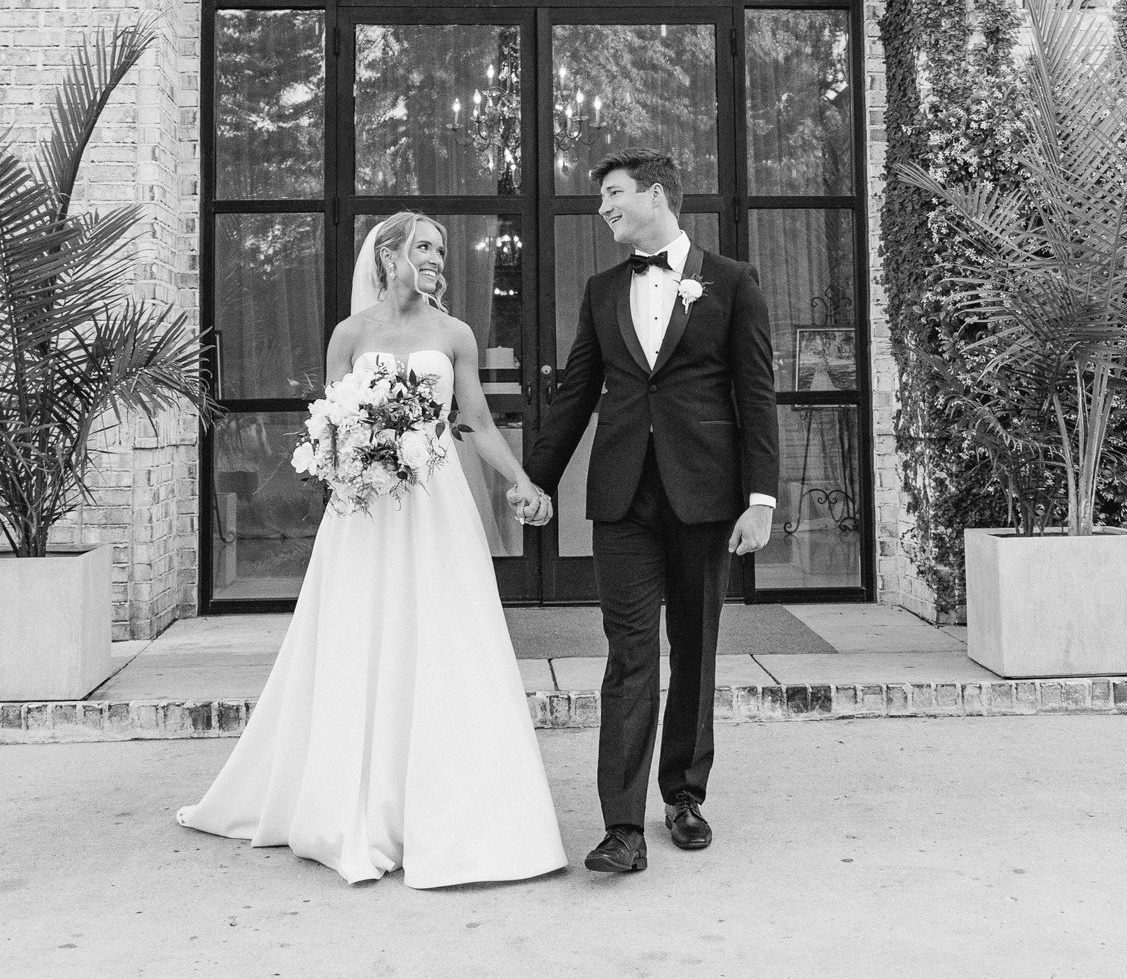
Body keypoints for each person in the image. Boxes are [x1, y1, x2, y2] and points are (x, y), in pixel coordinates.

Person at [177, 211, 566, 887]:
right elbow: (331, 420)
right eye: (424, 247)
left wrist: (522, 481)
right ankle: (354, 802)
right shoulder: (350, 334)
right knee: (360, 637)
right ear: (387, 256)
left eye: (441, 249)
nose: (437, 257)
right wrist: (350, 455)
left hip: (435, 504)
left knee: (445, 639)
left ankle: (450, 808)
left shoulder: (456, 334)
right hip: (365, 509)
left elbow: (472, 420)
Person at [520, 148, 780, 875]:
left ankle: (685, 796)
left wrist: (760, 500)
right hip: (622, 499)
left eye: (613, 194)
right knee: (629, 654)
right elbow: (577, 392)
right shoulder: (603, 289)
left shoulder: (731, 282)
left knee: (694, 647)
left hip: (706, 498)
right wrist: (536, 478)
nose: (602, 208)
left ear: (655, 195)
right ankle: (621, 827)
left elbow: (755, 396)